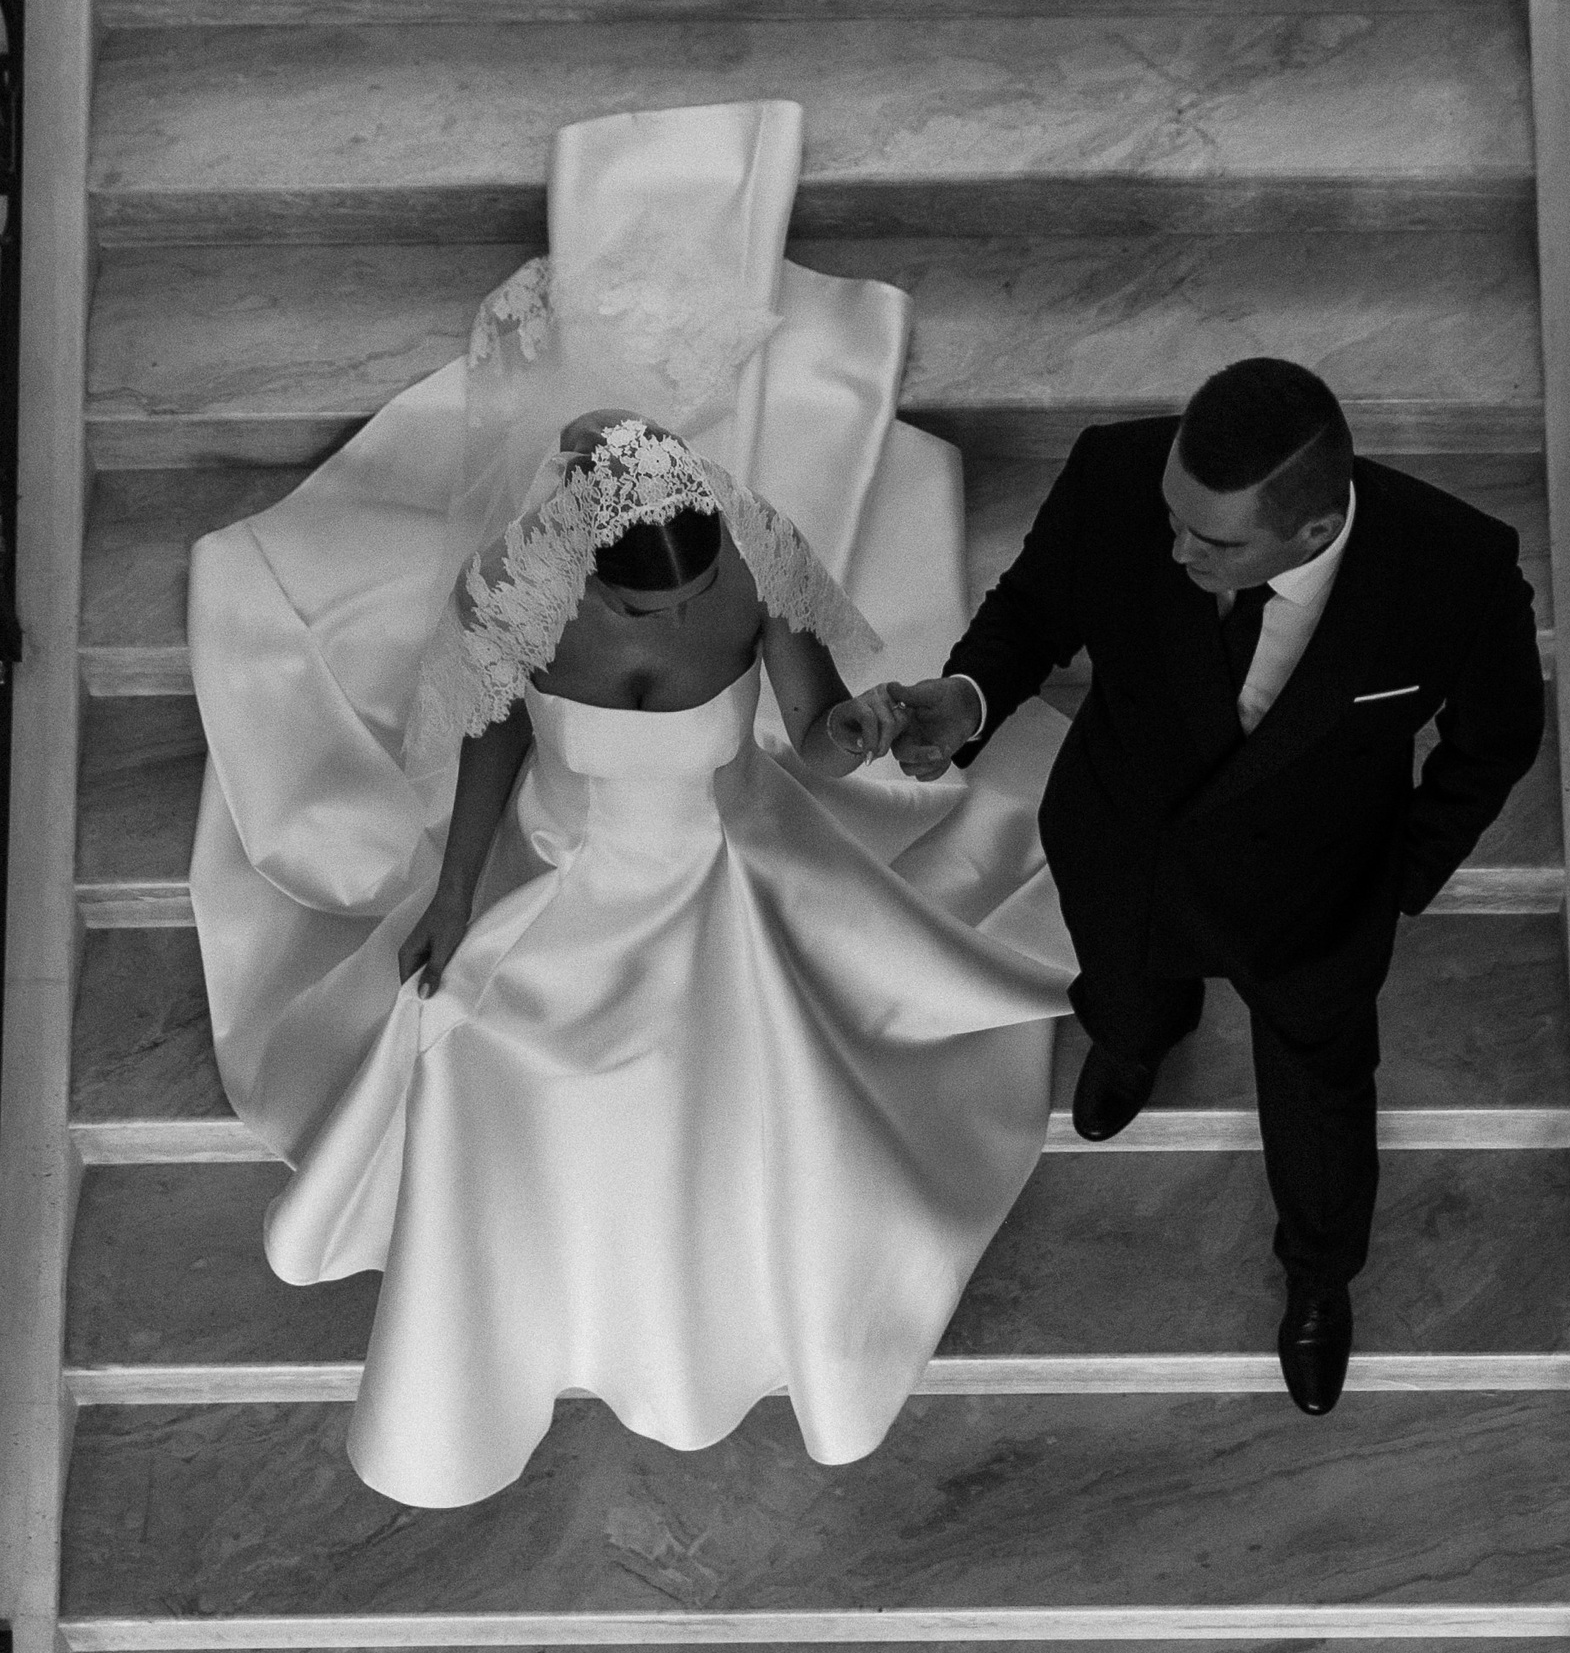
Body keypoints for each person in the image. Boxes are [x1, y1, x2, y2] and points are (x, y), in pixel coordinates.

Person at [188, 102, 1073, 1508]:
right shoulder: (515, 588)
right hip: (565, 864)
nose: (676, 614)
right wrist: (458, 892)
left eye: (694, 587)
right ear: (581, 561)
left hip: (730, 861)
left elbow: (811, 734)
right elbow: (491, 742)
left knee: (751, 1078)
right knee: (473, 1046)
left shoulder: (756, 553)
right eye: (644, 601)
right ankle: (521, 1304)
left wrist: (859, 731)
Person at [887, 358, 1546, 1418]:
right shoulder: (1115, 473)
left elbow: (1497, 739)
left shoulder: (1454, 570)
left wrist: (1399, 876)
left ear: (1316, 527)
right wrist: (968, 699)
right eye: (1172, 519)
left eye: (1215, 542)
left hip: (1315, 897)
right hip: (1127, 845)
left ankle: (1320, 1273)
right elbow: (1034, 610)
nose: (1177, 550)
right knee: (1123, 990)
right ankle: (1135, 1043)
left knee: (1322, 1097)